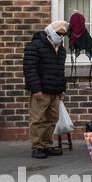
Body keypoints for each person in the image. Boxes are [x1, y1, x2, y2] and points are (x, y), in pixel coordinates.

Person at [23, 20, 69, 160]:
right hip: (41, 90)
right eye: (59, 33)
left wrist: (62, 90)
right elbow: (30, 69)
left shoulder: (61, 49)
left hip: (55, 90)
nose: (61, 36)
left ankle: (47, 144)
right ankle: (37, 146)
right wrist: (36, 89)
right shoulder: (35, 46)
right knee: (37, 119)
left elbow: (60, 71)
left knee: (52, 119)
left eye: (63, 34)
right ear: (50, 31)